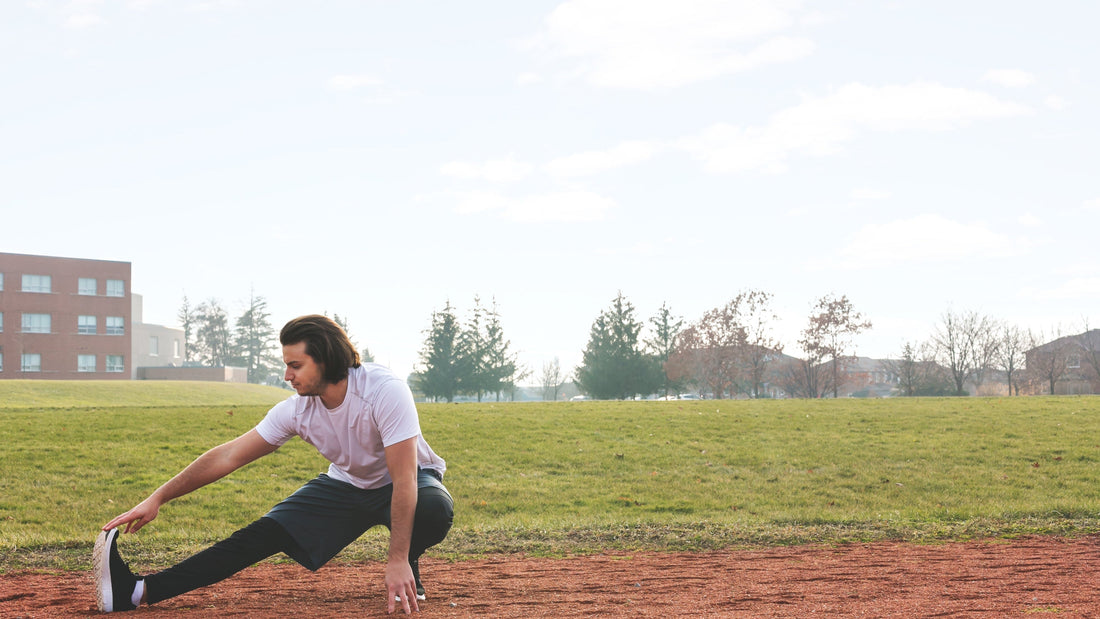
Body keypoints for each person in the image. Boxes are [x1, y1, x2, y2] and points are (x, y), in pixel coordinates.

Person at [94, 315, 453, 615]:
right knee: (260, 535)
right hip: (345, 486)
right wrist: (158, 498)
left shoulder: (383, 391)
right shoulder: (296, 410)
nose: (287, 375)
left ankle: (408, 562)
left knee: (432, 509)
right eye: (286, 365)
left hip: (407, 481)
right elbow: (228, 455)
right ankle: (137, 592)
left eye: (295, 365)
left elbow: (404, 479)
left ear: (325, 360)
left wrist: (397, 557)